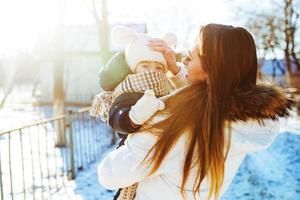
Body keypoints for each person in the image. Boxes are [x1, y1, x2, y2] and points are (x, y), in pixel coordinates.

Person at [98, 24, 295, 200]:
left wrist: (132, 134)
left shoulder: (174, 124)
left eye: (190, 58)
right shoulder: (244, 123)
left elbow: (109, 174)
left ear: (212, 70)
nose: (183, 61)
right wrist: (175, 72)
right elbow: (209, 98)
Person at [89, 25, 179, 199]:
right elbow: (115, 117)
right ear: (133, 68)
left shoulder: (169, 91)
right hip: (130, 154)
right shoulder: (127, 90)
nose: (152, 71)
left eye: (158, 67)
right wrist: (134, 117)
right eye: (145, 65)